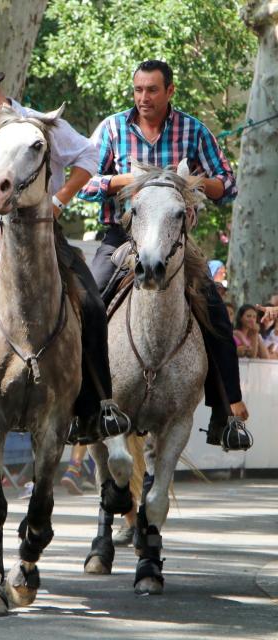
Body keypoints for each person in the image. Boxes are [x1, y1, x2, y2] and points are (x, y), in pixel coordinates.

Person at [0, 57, 130, 443]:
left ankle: (98, 407)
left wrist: (60, 199)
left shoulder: (40, 124)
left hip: (46, 233)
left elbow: (88, 156)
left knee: (94, 306)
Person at [78, 59, 250, 450]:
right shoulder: (112, 128)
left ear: (169, 91)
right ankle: (84, 406)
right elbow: (83, 181)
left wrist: (197, 183)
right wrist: (125, 182)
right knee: (86, 303)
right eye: (138, 90)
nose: (143, 98)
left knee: (215, 313)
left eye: (152, 90)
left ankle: (227, 413)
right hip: (122, 237)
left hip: (176, 241)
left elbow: (229, 183)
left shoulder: (193, 130)